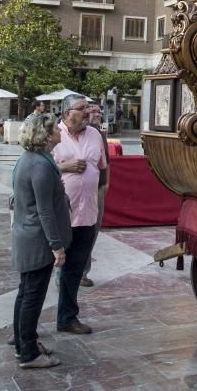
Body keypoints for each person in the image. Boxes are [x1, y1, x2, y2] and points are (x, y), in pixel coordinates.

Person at [12, 113, 69, 369]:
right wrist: (56, 245)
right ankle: (28, 353)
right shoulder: (41, 165)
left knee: (26, 293)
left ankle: (25, 344)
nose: (60, 132)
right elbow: (44, 210)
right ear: (46, 136)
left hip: (27, 234)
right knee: (32, 296)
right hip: (37, 239)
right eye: (56, 129)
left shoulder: (29, 160)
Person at [50, 94, 104, 335]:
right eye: (81, 109)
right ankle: (24, 324)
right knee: (40, 274)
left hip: (86, 214)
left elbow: (102, 167)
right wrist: (64, 166)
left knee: (74, 271)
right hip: (59, 216)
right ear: (66, 113)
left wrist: (101, 190)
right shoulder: (52, 135)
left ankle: (67, 318)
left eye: (88, 108)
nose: (87, 113)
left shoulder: (95, 135)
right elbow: (36, 167)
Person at [81, 102, 110, 287]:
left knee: (93, 229)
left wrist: (107, 183)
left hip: (97, 188)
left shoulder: (100, 134)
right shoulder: (76, 132)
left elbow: (106, 161)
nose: (97, 114)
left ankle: (83, 271)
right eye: (93, 111)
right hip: (77, 190)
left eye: (99, 111)